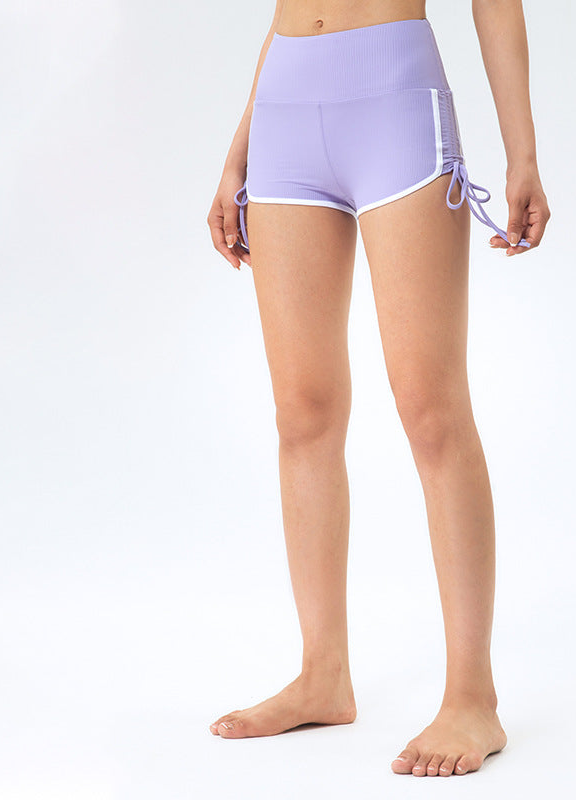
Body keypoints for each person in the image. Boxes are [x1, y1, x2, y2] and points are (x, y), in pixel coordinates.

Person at [206, 0, 550, 778]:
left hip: (395, 101)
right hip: (284, 108)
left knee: (432, 412)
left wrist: (522, 152)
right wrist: (239, 152)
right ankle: (322, 675)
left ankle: (473, 697)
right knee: (303, 413)